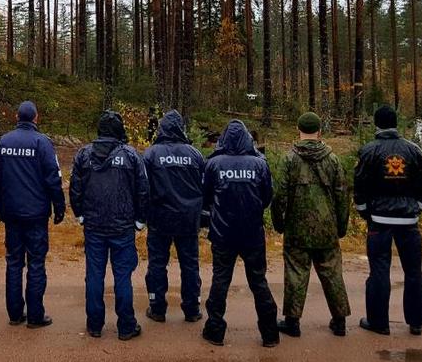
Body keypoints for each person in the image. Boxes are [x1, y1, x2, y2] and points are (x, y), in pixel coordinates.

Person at [69, 111, 148, 341]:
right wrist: (140, 220)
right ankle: (126, 326)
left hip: (96, 226)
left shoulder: (84, 154)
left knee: (94, 275)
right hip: (121, 226)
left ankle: (94, 325)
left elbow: (75, 187)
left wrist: (80, 214)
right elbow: (143, 190)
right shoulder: (131, 155)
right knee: (122, 276)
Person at [354, 104, 422, 336]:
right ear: (395, 123)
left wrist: (365, 212)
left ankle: (379, 322)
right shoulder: (413, 150)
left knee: (379, 270)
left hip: (379, 220)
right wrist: (417, 208)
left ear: (376, 124)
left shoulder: (369, 151)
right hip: (408, 221)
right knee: (414, 271)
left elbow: (360, 186)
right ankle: (416, 322)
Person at [271, 112, 350, 338]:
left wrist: (279, 222)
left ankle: (292, 322)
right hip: (326, 227)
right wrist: (341, 226)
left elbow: (280, 195)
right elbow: (342, 195)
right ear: (319, 131)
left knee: (296, 273)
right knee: (332, 273)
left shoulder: (290, 159)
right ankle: (340, 320)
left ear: (298, 129)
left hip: (297, 227)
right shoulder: (332, 159)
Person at [201, 120, 279, 348]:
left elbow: (205, 197)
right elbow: (267, 197)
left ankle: (215, 331)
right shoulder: (259, 164)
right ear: (247, 139)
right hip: (252, 234)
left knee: (220, 280)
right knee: (258, 281)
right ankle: (270, 333)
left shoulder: (214, 164)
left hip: (223, 233)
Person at [0, 101, 66, 329]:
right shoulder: (42, 143)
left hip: (12, 213)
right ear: (36, 118)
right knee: (35, 263)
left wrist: (0, 207)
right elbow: (53, 178)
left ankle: (15, 313)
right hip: (36, 214)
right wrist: (59, 206)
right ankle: (35, 315)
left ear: (16, 117)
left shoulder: (3, 142)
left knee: (14, 262)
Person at [142, 109, 205, 323]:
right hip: (187, 219)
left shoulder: (151, 154)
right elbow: (203, 186)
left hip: (160, 218)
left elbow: (143, 188)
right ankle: (192, 308)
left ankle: (157, 306)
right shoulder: (194, 154)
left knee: (157, 264)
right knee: (190, 264)